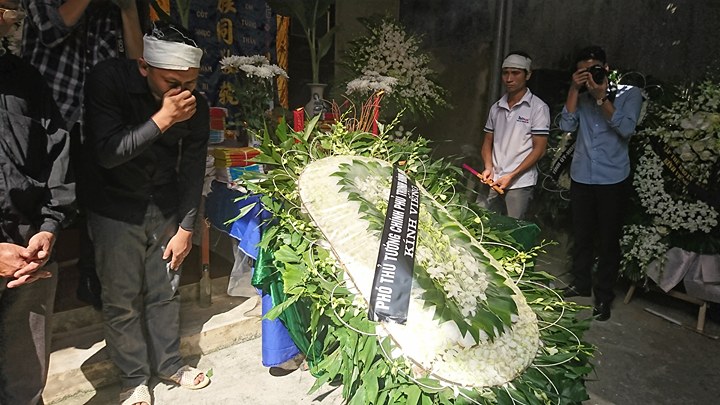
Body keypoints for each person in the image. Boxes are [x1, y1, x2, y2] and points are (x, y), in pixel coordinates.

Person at [83, 21, 210, 404]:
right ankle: (133, 378)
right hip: (113, 207)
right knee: (120, 299)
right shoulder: (109, 81)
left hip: (165, 205)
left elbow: (192, 168)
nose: (183, 93)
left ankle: (170, 364)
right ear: (144, 67)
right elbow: (108, 152)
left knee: (165, 290)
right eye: (173, 83)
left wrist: (187, 227)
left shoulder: (195, 104)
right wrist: (164, 119)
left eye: (190, 84)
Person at [21, 0, 145, 309]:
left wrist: (128, 10)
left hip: (97, 117)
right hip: (46, 113)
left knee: (98, 201)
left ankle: (92, 283)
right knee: (37, 199)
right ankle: (27, 283)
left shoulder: (113, 7)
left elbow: (136, 61)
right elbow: (51, 30)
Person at [0, 1, 75, 402]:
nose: (8, 17)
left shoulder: (27, 80)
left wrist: (49, 227)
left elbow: (57, 154)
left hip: (29, 257)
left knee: (27, 383)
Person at [559, 46, 643, 321]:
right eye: (584, 71)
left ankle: (604, 297)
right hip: (583, 175)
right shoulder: (580, 95)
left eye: (595, 69)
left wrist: (600, 98)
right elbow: (567, 126)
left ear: (606, 68)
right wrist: (574, 89)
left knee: (608, 241)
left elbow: (627, 128)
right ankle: (580, 283)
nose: (591, 75)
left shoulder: (628, 94)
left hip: (612, 178)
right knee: (581, 235)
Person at [480, 51, 550, 219]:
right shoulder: (496, 107)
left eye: (515, 73)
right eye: (505, 73)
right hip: (493, 180)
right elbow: (487, 142)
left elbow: (539, 150)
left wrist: (511, 176)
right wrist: (488, 167)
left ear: (528, 75)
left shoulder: (538, 108)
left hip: (520, 183)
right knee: (480, 226)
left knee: (513, 234)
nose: (509, 78)